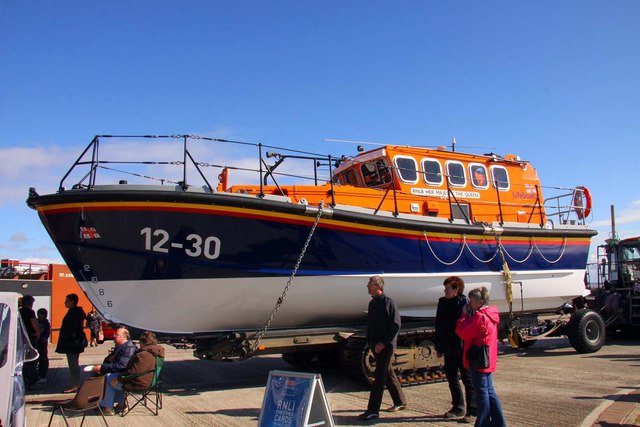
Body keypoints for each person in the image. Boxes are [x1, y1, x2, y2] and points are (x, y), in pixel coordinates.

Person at [358, 276, 407, 421]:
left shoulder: (389, 302)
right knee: (389, 373)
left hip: (385, 346)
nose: (367, 286)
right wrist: (371, 343)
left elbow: (396, 325)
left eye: (370, 284)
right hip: (375, 345)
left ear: (378, 286)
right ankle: (400, 401)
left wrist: (383, 343)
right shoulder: (373, 303)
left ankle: (373, 410)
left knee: (379, 378)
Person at [455, 287, 506, 427]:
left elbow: (462, 331)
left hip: (479, 358)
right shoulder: (491, 314)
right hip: (488, 356)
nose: (469, 304)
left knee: (482, 392)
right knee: (489, 391)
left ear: (479, 302)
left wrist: (464, 316)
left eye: (471, 301)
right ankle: (498, 422)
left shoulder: (479, 317)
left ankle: (483, 423)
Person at [434, 276, 476, 422]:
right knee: (451, 377)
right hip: (448, 346)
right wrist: (438, 346)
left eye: (448, 288)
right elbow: (438, 324)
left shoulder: (463, 302)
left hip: (462, 346)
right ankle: (458, 406)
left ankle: (472, 410)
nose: (445, 290)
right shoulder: (442, 302)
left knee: (467, 378)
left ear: (456, 289)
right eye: (445, 288)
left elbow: (469, 324)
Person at [99, 331, 165, 415]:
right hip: (152, 382)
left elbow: (133, 372)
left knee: (108, 378)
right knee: (117, 376)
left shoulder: (143, 355)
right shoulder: (156, 352)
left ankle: (107, 408)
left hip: (139, 384)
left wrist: (119, 379)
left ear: (142, 342)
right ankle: (121, 404)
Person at [91, 326, 138, 401]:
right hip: (120, 373)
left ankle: (107, 408)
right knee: (96, 374)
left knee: (107, 378)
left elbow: (122, 366)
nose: (114, 336)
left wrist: (102, 367)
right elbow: (108, 359)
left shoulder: (129, 348)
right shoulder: (120, 346)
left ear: (123, 337)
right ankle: (119, 403)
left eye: (116, 334)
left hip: (126, 376)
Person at [55, 293, 87, 393]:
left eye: (67, 300)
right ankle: (74, 383)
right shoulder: (74, 312)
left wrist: (70, 338)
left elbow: (74, 328)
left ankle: (74, 385)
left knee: (73, 364)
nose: (65, 302)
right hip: (73, 343)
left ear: (72, 302)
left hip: (72, 343)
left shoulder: (74, 313)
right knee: (74, 364)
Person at [19, 295, 40, 387]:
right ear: (30, 303)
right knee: (31, 359)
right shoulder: (30, 312)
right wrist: (38, 332)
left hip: (20, 338)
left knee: (21, 359)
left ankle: (23, 379)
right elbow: (34, 322)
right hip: (30, 338)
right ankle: (31, 381)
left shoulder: (19, 311)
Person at [36, 308, 51, 385]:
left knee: (43, 358)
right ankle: (37, 374)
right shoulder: (35, 321)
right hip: (36, 342)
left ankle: (43, 375)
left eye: (41, 314)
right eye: (38, 314)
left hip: (42, 342)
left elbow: (47, 332)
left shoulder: (46, 323)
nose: (39, 316)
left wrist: (44, 338)